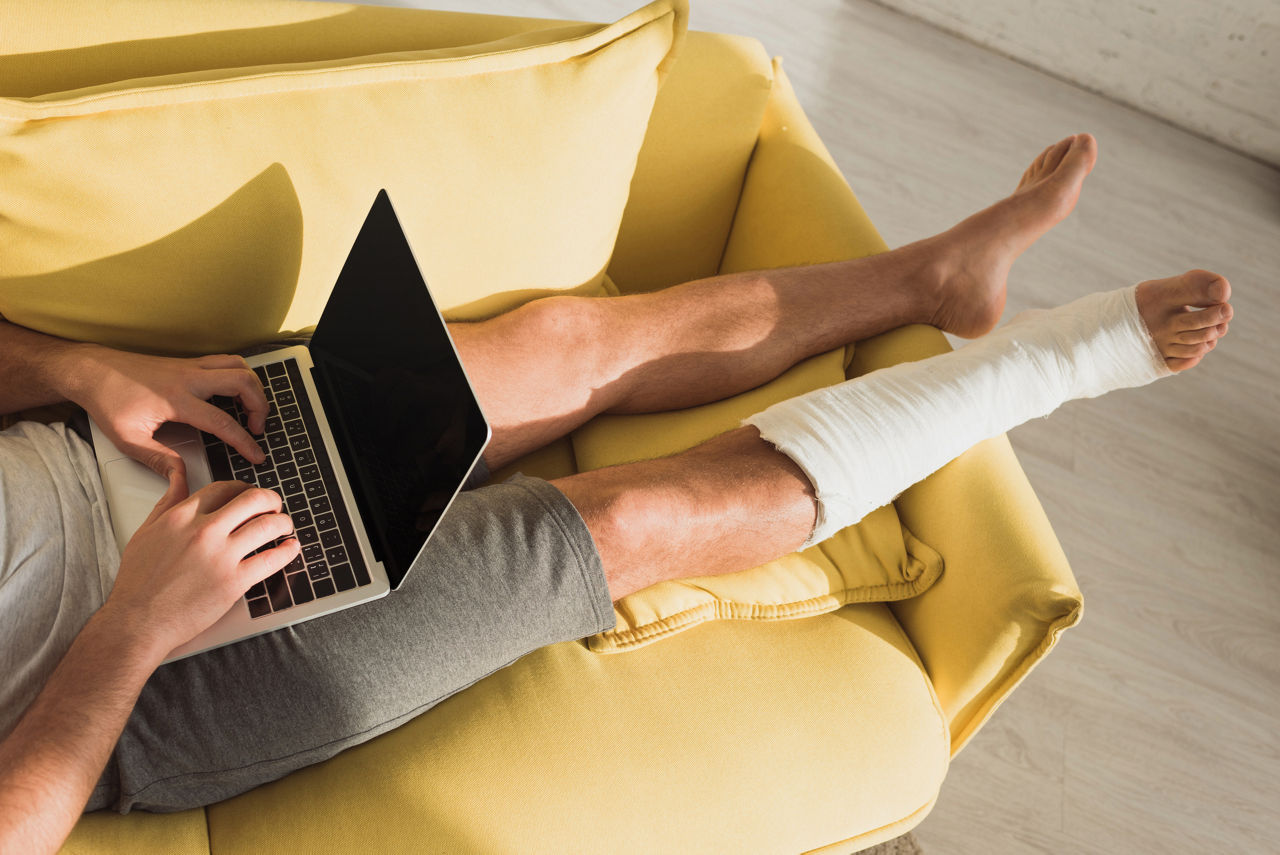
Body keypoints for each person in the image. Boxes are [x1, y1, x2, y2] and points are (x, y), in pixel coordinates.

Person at [0, 134, 1233, 852]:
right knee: (622, 524)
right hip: (132, 677)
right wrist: (138, 621)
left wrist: (81, 368)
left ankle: (932, 276)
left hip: (117, 452)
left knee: (552, 347)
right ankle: (1059, 364)